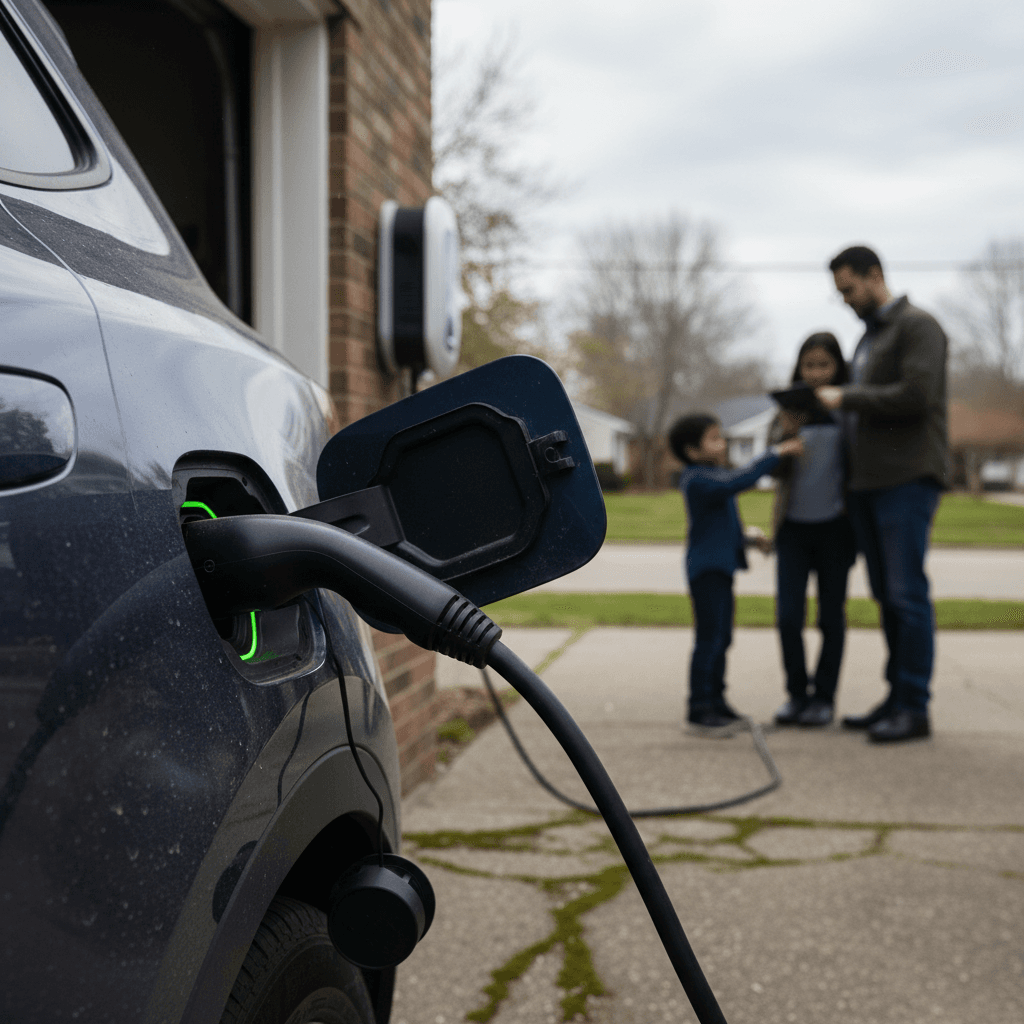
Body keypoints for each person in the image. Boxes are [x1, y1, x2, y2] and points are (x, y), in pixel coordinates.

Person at [815, 245, 949, 743]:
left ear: (875, 276)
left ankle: (914, 706)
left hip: (906, 480)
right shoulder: (869, 339)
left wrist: (845, 396)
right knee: (886, 597)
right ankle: (895, 699)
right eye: (840, 293)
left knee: (906, 594)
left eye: (849, 289)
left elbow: (919, 396)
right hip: (867, 486)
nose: (845, 300)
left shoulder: (919, 326)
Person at [669, 414, 803, 732]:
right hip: (706, 570)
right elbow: (738, 482)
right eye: (713, 438)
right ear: (692, 451)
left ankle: (717, 702)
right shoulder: (697, 480)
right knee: (709, 639)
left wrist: (750, 539)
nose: (722, 443)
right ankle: (699, 710)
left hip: (721, 568)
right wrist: (776, 453)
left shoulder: (713, 475)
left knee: (722, 638)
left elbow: (721, 527)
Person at [770, 333, 858, 728]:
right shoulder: (788, 410)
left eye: (825, 365)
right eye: (810, 365)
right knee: (788, 616)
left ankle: (824, 698)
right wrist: (788, 433)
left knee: (830, 618)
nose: (818, 373)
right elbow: (772, 468)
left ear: (838, 366)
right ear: (799, 369)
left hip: (836, 529)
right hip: (792, 529)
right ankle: (796, 695)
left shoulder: (850, 409)